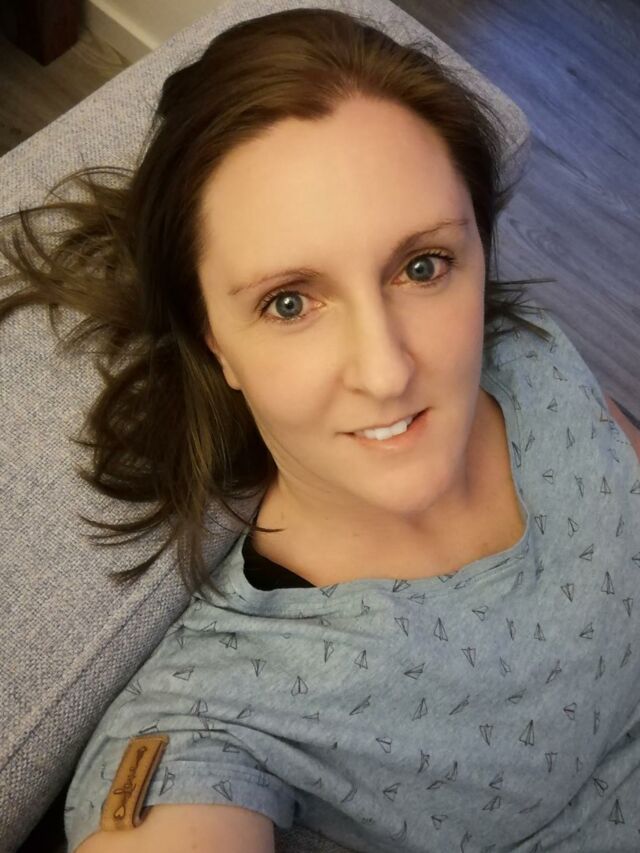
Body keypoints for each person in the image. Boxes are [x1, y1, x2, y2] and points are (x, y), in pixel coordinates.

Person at [1, 7, 639, 853]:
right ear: (213, 340)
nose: (386, 370)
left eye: (423, 266)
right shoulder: (226, 716)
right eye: (289, 302)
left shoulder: (532, 355)